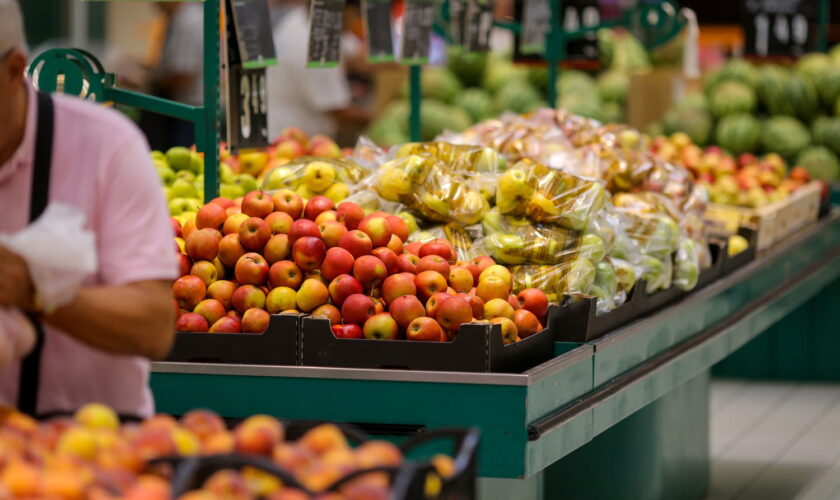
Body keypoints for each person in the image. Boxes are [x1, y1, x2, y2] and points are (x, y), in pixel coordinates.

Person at [0, 0, 177, 418]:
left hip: (97, 445)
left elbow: (153, 326)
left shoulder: (107, 146)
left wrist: (36, 291)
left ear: (13, 71)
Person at [267, 0, 371, 139]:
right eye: (357, 15)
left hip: (290, 135)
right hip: (291, 141)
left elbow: (356, 56)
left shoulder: (307, 20)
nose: (359, 21)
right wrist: (382, 118)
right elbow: (338, 111)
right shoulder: (313, 49)